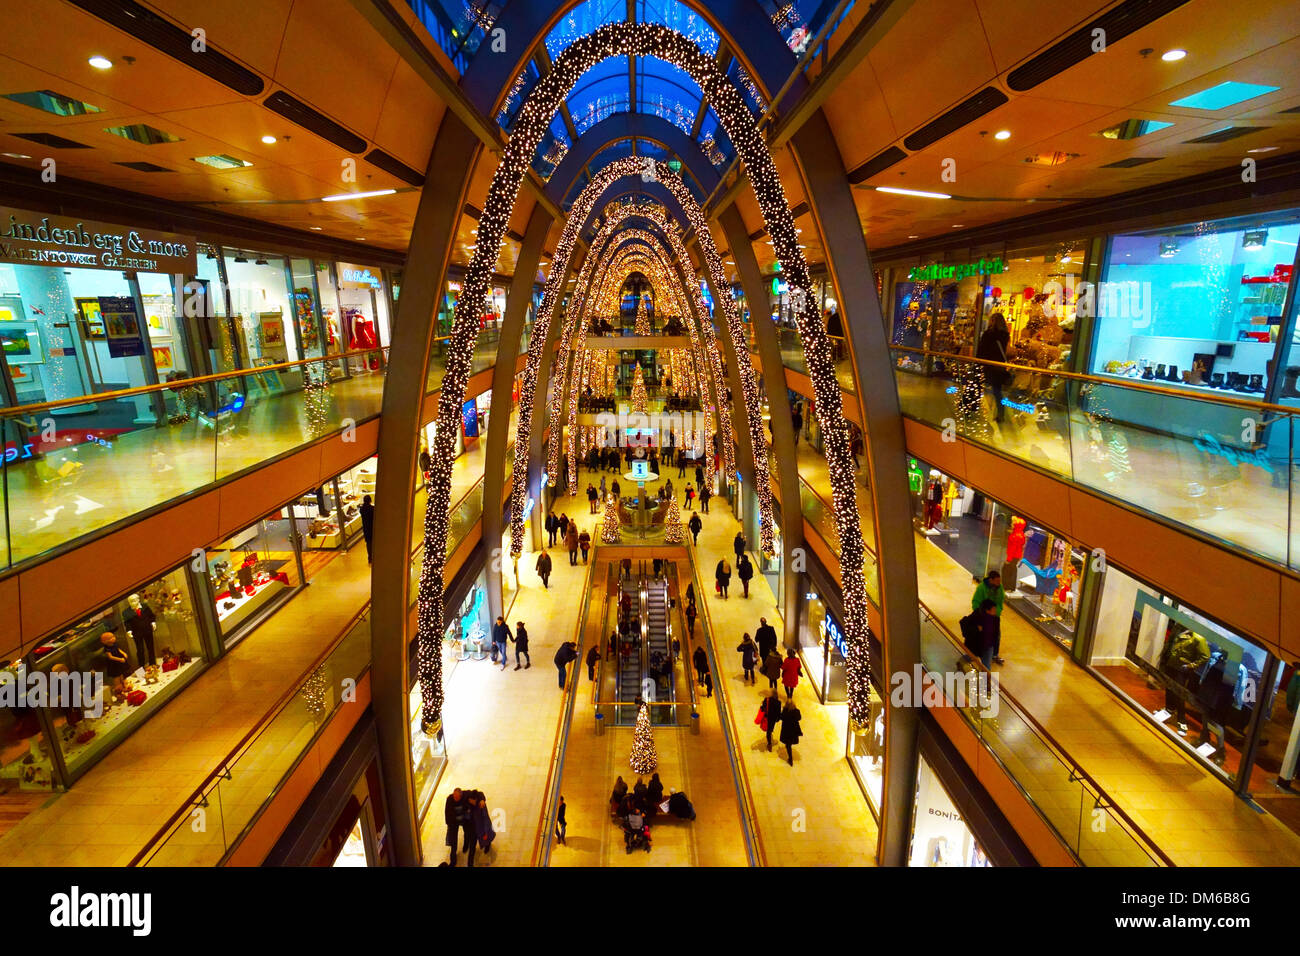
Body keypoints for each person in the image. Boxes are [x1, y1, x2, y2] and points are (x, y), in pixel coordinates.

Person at [976, 312, 1011, 422]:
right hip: (998, 366)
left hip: (987, 364)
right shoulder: (1005, 335)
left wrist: (977, 362)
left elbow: (982, 350)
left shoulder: (989, 334)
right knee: (997, 391)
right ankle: (1001, 414)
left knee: (978, 385)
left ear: (992, 321)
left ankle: (973, 408)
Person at [971, 571, 1006, 664]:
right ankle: (973, 653)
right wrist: (981, 615)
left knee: (996, 634)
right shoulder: (981, 588)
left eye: (1000, 581)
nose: (999, 583)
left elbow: (1000, 601)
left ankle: (994, 654)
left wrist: (996, 613)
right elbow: (975, 602)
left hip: (994, 617)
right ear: (991, 580)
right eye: (997, 581)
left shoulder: (1000, 588)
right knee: (980, 635)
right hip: (983, 617)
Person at [444, 787, 476, 867]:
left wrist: (481, 800)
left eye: (457, 797)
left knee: (467, 833)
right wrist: (450, 824)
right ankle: (453, 860)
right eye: (454, 796)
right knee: (453, 842)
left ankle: (466, 845)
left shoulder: (465, 795)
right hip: (453, 822)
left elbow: (478, 793)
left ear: (461, 796)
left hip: (463, 819)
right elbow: (447, 814)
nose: (455, 798)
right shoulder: (449, 799)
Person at [779, 698, 803, 765]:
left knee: (788, 744)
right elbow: (799, 718)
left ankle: (790, 758)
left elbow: (781, 717)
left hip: (786, 729)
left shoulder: (785, 710)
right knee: (790, 742)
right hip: (794, 729)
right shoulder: (796, 711)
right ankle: (790, 757)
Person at [359, 494, 375, 564]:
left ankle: (370, 557)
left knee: (368, 543)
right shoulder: (372, 508)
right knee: (373, 542)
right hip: (372, 527)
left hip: (366, 528)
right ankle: (374, 555)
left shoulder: (362, 509)